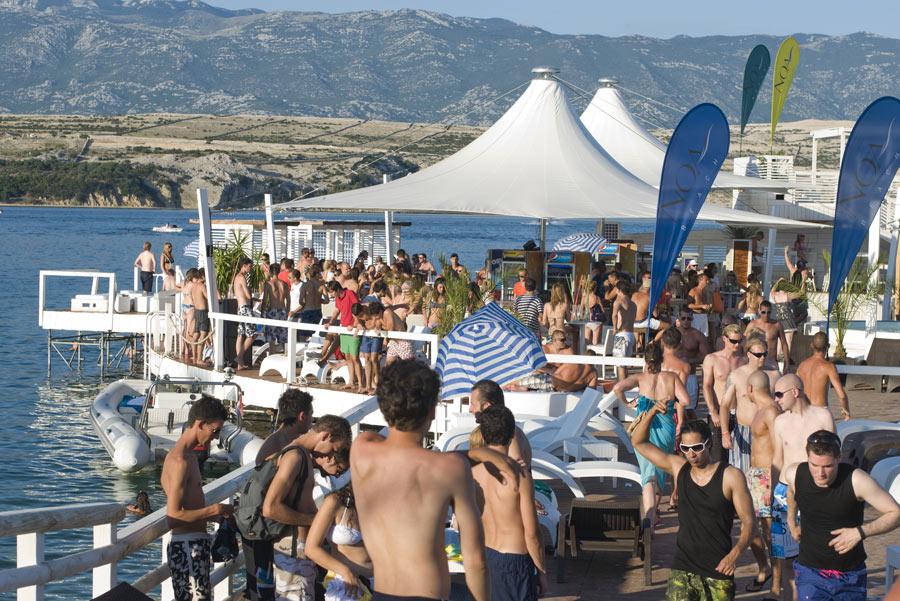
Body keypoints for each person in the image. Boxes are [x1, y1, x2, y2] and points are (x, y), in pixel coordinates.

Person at [350, 360, 491, 601]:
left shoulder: (361, 451)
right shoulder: (451, 468)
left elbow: (376, 438)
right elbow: (475, 560)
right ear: (432, 411)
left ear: (384, 407)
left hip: (382, 593)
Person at [631, 416, 755, 600]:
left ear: (709, 443)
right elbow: (639, 442)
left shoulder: (730, 476)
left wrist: (734, 555)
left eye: (697, 447)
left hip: (719, 567)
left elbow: (749, 523)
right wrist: (652, 412)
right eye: (685, 449)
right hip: (684, 565)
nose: (691, 454)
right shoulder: (679, 468)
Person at [784, 431, 900, 601]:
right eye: (814, 465)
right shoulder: (795, 473)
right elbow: (791, 491)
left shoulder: (857, 480)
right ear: (807, 457)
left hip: (850, 575)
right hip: (810, 572)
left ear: (839, 458)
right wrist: (791, 521)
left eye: (828, 466)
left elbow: (896, 513)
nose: (820, 473)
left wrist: (859, 532)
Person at [262, 415, 352, 601]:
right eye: (335, 449)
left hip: (295, 550)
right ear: (326, 436)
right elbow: (270, 508)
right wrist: (316, 521)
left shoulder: (300, 454)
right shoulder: (295, 456)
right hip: (293, 549)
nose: (331, 455)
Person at [243, 390, 314, 601]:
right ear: (302, 416)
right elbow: (270, 497)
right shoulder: (282, 447)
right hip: (272, 529)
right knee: (268, 587)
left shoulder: (276, 441)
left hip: (269, 528)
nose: (311, 420)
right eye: (311, 415)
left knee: (268, 585)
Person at [161, 396, 233, 601]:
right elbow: (173, 517)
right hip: (187, 550)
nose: (216, 437)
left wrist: (216, 517)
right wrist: (214, 510)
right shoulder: (179, 460)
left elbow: (187, 506)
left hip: (193, 546)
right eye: (214, 430)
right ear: (200, 424)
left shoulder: (188, 456)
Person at [472, 406, 548, 600]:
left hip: (487, 554)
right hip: (515, 561)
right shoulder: (519, 476)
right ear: (512, 434)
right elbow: (532, 534)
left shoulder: (473, 471)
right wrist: (542, 572)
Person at [771, 374, 836, 599]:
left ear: (795, 392)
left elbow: (835, 457)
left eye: (779, 394)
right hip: (784, 492)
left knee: (820, 554)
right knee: (788, 557)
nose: (775, 399)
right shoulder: (780, 421)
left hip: (816, 494)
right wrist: (771, 498)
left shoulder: (822, 416)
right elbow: (777, 460)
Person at [614, 342, 690, 533]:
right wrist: (670, 401)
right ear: (662, 358)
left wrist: (628, 403)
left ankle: (648, 519)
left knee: (647, 474)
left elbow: (617, 387)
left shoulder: (640, 378)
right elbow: (687, 401)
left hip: (644, 429)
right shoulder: (671, 377)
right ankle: (653, 514)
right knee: (660, 471)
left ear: (646, 360)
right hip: (665, 427)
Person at [305, 477, 374, 601]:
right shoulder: (334, 501)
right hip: (348, 586)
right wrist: (346, 572)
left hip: (380, 583)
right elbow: (311, 548)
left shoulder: (381, 502)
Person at [719, 336, 781, 472]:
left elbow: (782, 402)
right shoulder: (736, 375)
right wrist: (724, 433)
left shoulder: (774, 374)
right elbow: (724, 405)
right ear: (748, 354)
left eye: (765, 354)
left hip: (766, 431)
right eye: (758, 355)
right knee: (740, 474)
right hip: (743, 429)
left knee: (766, 471)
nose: (762, 358)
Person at [746, 371, 781, 596]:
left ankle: (776, 584)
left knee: (771, 533)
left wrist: (775, 483)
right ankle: (764, 568)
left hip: (768, 477)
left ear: (750, 388)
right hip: (755, 476)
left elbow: (780, 448)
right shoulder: (760, 410)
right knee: (749, 528)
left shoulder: (771, 411)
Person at [469, 379, 532, 468]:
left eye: (473, 404)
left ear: (487, 406)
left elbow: (515, 467)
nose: (470, 409)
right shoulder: (488, 431)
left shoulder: (509, 432)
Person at [702, 324, 747, 433]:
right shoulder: (712, 359)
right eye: (733, 341)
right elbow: (706, 387)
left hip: (739, 412)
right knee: (717, 449)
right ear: (724, 339)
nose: (737, 345)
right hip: (718, 411)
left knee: (740, 450)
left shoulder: (744, 360)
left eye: (739, 341)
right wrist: (713, 412)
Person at [796, 332, 851, 420]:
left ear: (811, 345)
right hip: (820, 412)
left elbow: (794, 389)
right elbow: (842, 396)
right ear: (828, 346)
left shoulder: (802, 365)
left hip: (804, 411)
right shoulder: (829, 367)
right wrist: (846, 411)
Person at [326, 281, 362, 393]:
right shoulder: (338, 299)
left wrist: (355, 324)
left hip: (353, 329)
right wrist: (330, 322)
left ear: (337, 290)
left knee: (355, 357)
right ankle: (351, 381)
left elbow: (357, 308)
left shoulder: (350, 293)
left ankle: (361, 383)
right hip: (344, 329)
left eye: (332, 292)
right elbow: (336, 311)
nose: (331, 295)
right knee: (347, 357)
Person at [659, 328, 696, 415]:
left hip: (652, 407)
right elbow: (680, 396)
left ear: (662, 342)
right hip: (670, 409)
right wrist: (680, 420)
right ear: (680, 344)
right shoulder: (684, 366)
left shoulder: (652, 363)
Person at [746, 301, 790, 370]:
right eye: (763, 312)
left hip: (771, 362)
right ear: (759, 311)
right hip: (756, 362)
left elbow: (784, 344)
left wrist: (786, 362)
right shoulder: (753, 324)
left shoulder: (777, 325)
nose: (766, 315)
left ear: (771, 312)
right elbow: (745, 342)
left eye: (768, 312)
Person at [233, 257, 256, 370]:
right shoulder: (242, 278)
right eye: (250, 266)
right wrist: (250, 290)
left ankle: (240, 364)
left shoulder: (236, 277)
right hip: (245, 308)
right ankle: (239, 357)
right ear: (244, 265)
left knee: (240, 335)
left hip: (240, 308)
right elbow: (248, 296)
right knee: (253, 334)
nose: (251, 268)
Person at [611, 280, 637, 380]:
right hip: (631, 335)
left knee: (620, 365)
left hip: (622, 335)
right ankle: (625, 388)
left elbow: (614, 316)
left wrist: (614, 328)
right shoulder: (633, 304)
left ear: (619, 290)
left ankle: (621, 388)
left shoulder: (618, 302)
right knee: (625, 365)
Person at [262, 264, 289, 351]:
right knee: (283, 339)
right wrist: (287, 311)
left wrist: (262, 313)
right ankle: (284, 358)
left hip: (272, 312)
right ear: (278, 272)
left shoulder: (268, 284)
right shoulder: (284, 284)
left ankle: (272, 356)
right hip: (283, 311)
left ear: (270, 272)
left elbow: (265, 300)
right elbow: (288, 300)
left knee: (271, 338)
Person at [190, 268, 211, 365]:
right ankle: (199, 359)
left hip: (196, 311)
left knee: (196, 335)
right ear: (203, 276)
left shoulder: (193, 286)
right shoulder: (202, 286)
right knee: (203, 335)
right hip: (203, 312)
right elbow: (208, 297)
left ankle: (194, 357)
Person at [687, 271, 714, 339]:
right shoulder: (693, 291)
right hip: (695, 316)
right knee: (695, 337)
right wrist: (701, 306)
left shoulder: (706, 291)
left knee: (705, 337)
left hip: (704, 316)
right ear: (700, 280)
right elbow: (689, 305)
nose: (707, 282)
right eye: (706, 280)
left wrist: (709, 307)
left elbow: (707, 304)